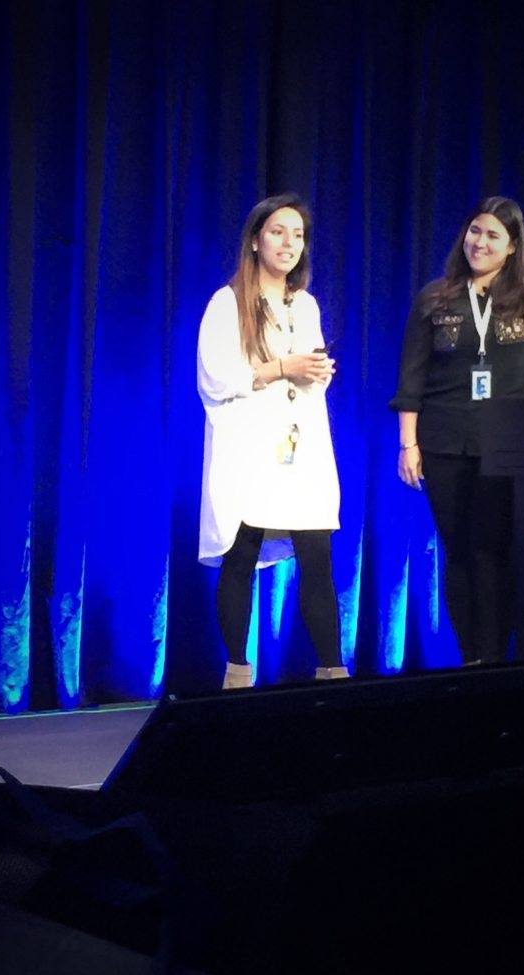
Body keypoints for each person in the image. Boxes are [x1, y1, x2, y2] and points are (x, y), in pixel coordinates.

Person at [390, 195, 524, 665]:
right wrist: (408, 443)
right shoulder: (436, 295)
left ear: (512, 246)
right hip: (445, 441)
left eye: (493, 235)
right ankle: (472, 660)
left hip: (514, 445)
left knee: (494, 551)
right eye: (475, 231)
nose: (480, 242)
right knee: (459, 552)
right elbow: (411, 376)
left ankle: (495, 661)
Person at [197, 193, 348, 688]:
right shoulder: (228, 302)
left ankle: (332, 670)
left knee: (317, 556)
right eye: (279, 232)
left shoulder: (304, 305)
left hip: (300, 450)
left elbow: (310, 374)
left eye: (298, 235)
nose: (289, 243)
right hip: (249, 449)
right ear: (257, 239)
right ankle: (237, 672)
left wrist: (316, 371)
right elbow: (216, 379)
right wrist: (282, 367)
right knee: (241, 557)